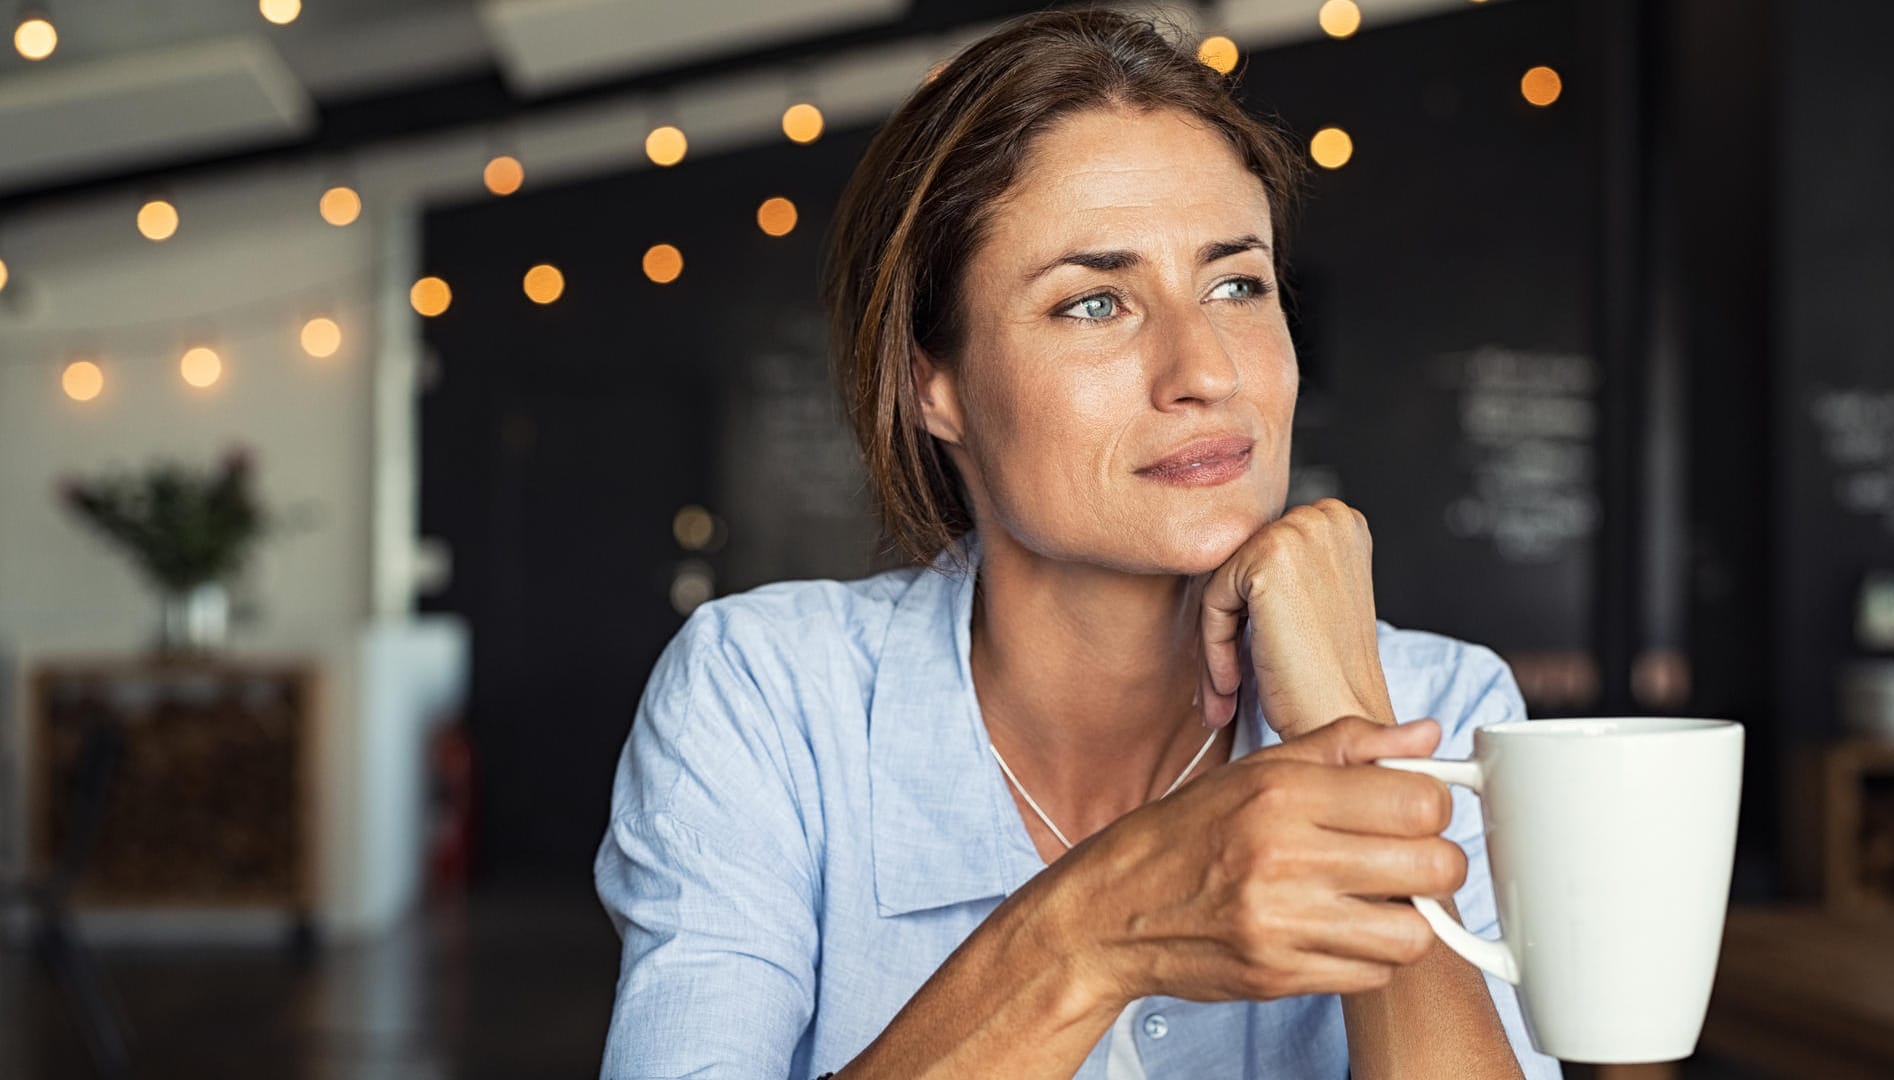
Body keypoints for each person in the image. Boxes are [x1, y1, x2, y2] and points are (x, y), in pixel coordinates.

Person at [595, 8, 1562, 1079]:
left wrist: (1346, 717)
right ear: (934, 382)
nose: (1204, 370)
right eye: (1095, 302)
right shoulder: (769, 698)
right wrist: (1093, 930)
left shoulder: (1446, 707)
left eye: (1237, 284)